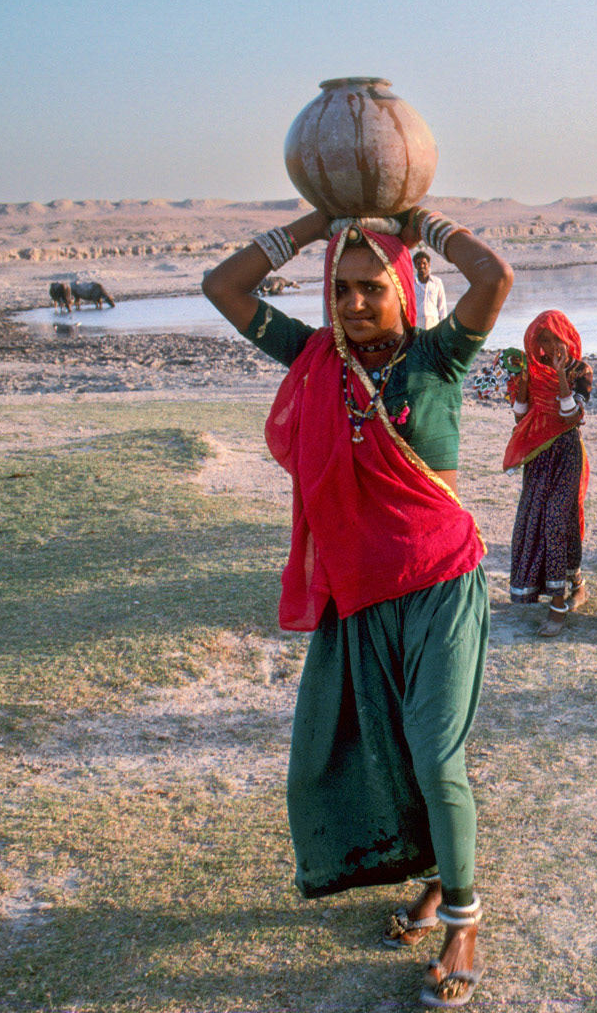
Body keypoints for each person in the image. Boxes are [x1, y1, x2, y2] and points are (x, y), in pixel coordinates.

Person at [202, 205, 510, 1009]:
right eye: (339, 289)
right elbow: (222, 286)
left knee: (436, 755)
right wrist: (314, 226)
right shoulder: (314, 360)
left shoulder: (438, 361)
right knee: (391, 754)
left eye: (371, 287)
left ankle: (465, 919)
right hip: (363, 598)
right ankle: (438, 879)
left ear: (404, 289)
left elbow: (495, 278)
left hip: (441, 585)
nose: (353, 304)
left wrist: (424, 224)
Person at [504, 310, 592, 638]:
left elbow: (572, 415)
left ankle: (557, 607)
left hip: (568, 451)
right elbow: (521, 418)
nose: (549, 344)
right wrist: (524, 385)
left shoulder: (580, 369)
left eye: (554, 337)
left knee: (557, 517)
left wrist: (560, 376)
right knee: (543, 520)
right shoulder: (530, 370)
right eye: (542, 338)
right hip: (538, 455)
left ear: (566, 335)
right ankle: (577, 585)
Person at [414, 249, 449, 330]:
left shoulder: (437, 282)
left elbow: (442, 307)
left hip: (434, 323)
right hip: (417, 323)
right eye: (418, 264)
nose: (422, 266)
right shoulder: (411, 283)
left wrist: (444, 327)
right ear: (415, 265)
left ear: (429, 264)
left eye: (424, 263)